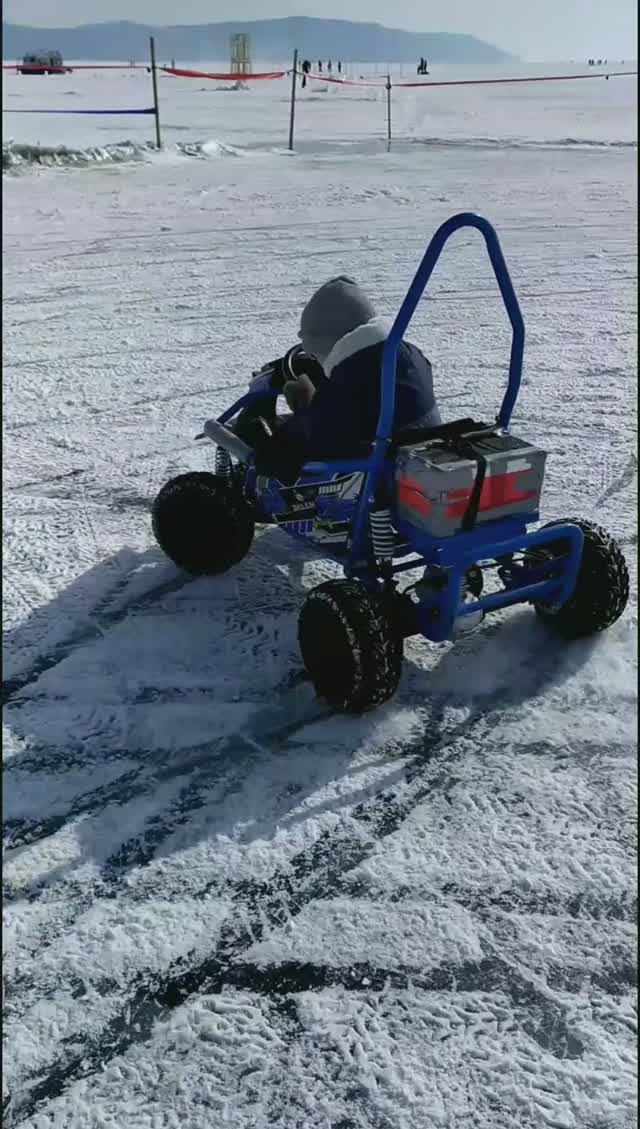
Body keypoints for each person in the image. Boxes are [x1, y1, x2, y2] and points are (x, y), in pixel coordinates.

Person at [238, 276, 440, 472]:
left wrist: (269, 409)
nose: (317, 360)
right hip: (418, 459)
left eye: (316, 354)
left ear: (329, 344)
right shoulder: (407, 356)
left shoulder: (349, 384)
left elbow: (278, 453)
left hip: (376, 481)